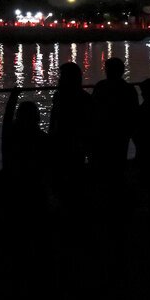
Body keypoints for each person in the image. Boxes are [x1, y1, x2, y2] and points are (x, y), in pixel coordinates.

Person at [89, 57, 139, 190]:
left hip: (103, 132)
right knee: (119, 162)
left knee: (102, 163)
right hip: (121, 133)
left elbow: (93, 109)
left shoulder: (101, 86)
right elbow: (133, 112)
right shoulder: (129, 89)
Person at [48, 62, 91, 198]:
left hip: (63, 140)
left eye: (62, 76)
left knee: (62, 173)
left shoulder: (59, 96)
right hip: (76, 141)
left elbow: (54, 119)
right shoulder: (85, 97)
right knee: (76, 172)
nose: (59, 79)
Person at [3, 100, 50, 211]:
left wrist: (12, 99)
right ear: (37, 117)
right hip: (36, 184)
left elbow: (7, 118)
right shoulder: (42, 138)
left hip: (15, 184)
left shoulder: (12, 135)